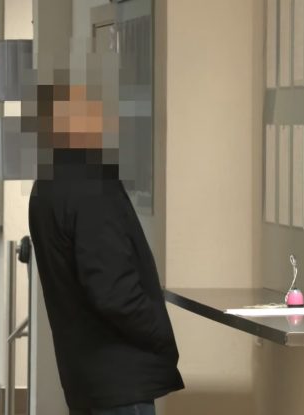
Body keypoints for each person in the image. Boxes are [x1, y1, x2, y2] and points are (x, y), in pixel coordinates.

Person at [28, 83, 184, 415]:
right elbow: (114, 291)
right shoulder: (92, 187)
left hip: (86, 377)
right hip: (120, 380)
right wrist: (160, 332)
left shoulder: (46, 185)